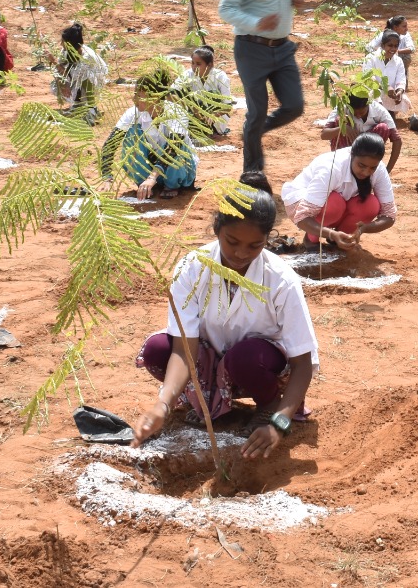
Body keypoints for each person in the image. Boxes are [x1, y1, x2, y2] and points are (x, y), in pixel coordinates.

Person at [132, 188, 317, 459]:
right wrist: (164, 404)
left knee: (244, 358)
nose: (241, 253)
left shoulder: (281, 280)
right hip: (209, 363)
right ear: (217, 230)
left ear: (267, 239)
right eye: (232, 241)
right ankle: (205, 401)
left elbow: (303, 364)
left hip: (260, 368)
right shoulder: (192, 268)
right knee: (158, 350)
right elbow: (184, 349)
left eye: (255, 246)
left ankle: (267, 405)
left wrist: (279, 423)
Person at [220, 0, 305, 175]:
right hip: (251, 49)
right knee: (256, 112)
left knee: (294, 106)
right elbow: (226, 8)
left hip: (282, 48)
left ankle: (253, 133)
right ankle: (252, 173)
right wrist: (256, 23)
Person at [281, 134, 397, 252]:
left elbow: (389, 216)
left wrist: (364, 228)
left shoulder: (380, 170)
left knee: (370, 205)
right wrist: (331, 234)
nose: (366, 172)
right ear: (351, 154)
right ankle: (311, 240)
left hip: (337, 206)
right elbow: (302, 217)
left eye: (372, 168)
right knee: (334, 203)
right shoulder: (331, 168)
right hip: (300, 205)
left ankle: (342, 238)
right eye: (361, 165)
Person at [102, 66, 196, 201]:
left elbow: (173, 148)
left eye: (138, 96)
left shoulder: (177, 112)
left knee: (176, 145)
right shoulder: (133, 113)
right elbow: (110, 144)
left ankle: (171, 184)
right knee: (131, 135)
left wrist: (152, 178)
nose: (134, 100)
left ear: (154, 97)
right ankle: (143, 182)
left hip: (179, 168)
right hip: (151, 166)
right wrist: (107, 177)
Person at [319, 92, 400, 172]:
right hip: (346, 150)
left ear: (368, 105)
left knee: (383, 128)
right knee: (339, 121)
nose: (358, 116)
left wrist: (388, 169)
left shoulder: (379, 110)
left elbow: (397, 140)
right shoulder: (341, 108)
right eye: (354, 113)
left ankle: (368, 167)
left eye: (361, 113)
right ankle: (343, 167)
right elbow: (324, 134)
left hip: (368, 150)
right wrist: (343, 128)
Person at [362, 30, 418, 129]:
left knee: (403, 99)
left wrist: (399, 91)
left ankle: (387, 114)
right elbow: (369, 78)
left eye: (396, 46)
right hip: (373, 92)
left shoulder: (398, 61)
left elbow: (401, 79)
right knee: (374, 96)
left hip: (390, 94)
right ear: (383, 45)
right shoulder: (371, 58)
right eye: (390, 45)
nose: (393, 49)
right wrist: (385, 87)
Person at [176, 45, 234, 138]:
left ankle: (212, 129)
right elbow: (172, 93)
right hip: (192, 116)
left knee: (213, 95)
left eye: (198, 64)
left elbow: (227, 106)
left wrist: (213, 115)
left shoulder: (220, 76)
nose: (194, 67)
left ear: (210, 65)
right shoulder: (187, 74)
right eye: (193, 63)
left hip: (216, 121)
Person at [51, 22, 107, 118]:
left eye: (62, 41)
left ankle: (92, 108)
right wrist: (61, 82)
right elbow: (62, 71)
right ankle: (78, 105)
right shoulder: (66, 51)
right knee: (56, 84)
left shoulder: (87, 57)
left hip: (95, 82)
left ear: (69, 44)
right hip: (76, 79)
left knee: (86, 77)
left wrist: (53, 61)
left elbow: (72, 76)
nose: (61, 44)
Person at [367, 15, 415, 87]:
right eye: (404, 26)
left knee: (406, 57)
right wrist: (383, 52)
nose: (406, 29)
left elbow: (412, 48)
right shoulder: (383, 35)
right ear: (396, 27)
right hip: (381, 58)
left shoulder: (406, 35)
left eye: (395, 45)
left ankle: (400, 81)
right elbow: (369, 47)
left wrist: (395, 52)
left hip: (396, 58)